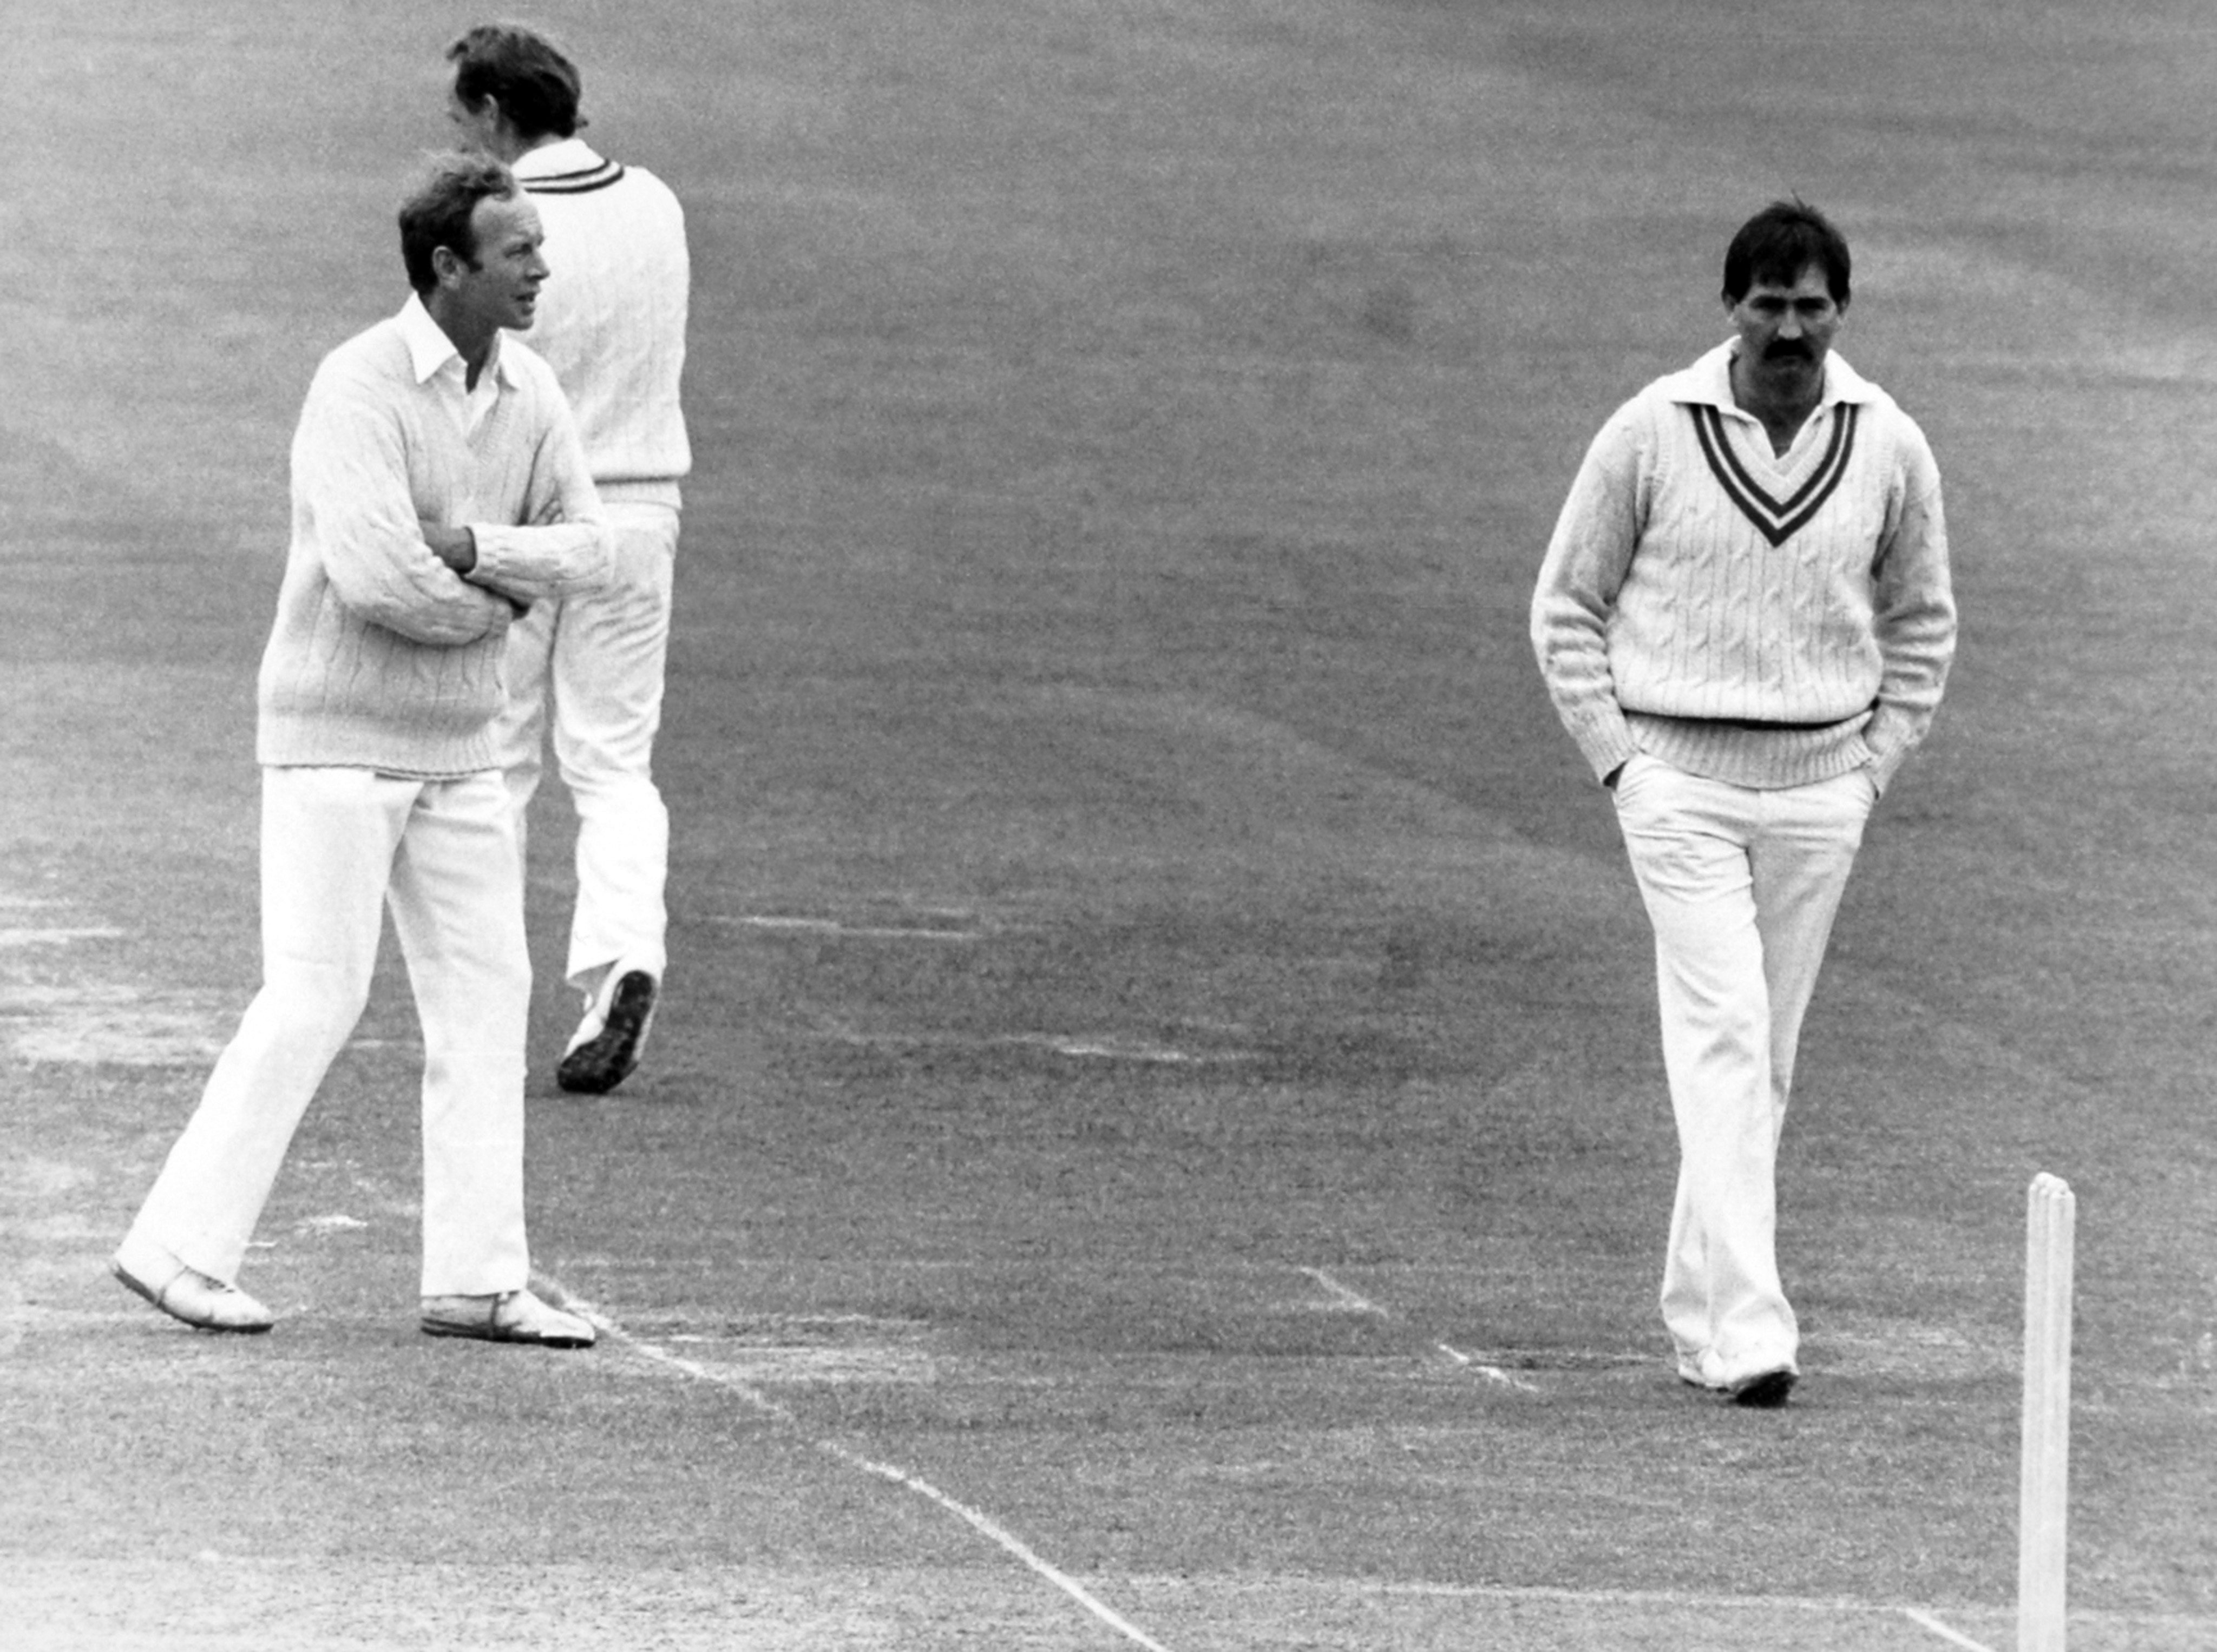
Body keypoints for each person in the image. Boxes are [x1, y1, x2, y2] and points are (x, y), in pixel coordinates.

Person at [111, 154, 613, 1347]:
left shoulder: (530, 391)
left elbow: (595, 548)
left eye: (539, 245)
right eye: (517, 250)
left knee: (491, 1000)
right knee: (314, 998)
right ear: (449, 268)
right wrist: (501, 599)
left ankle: (477, 1280)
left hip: (461, 751)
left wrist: (476, 547)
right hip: (333, 744)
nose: (542, 266)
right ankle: (174, 1248)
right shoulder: (357, 385)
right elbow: (379, 577)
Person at [1529, 200, 1956, 1408]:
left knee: (1759, 1063)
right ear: (1729, 307)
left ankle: (1692, 1309)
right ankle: (1751, 1334)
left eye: (1809, 305)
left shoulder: (1888, 445)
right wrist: (1620, 761)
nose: (1787, 328)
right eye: (1766, 304)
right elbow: (1564, 603)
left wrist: (1872, 767)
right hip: (1676, 785)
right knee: (1720, 1037)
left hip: (1821, 787)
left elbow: (1922, 620)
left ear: (1840, 313)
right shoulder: (1650, 431)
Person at [445, 23, 692, 1096]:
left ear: (496, 114)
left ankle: (482, 998)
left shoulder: (501, 227)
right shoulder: (658, 202)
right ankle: (622, 960)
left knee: (495, 767)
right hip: (642, 515)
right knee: (614, 766)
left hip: (533, 522)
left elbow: (478, 379)